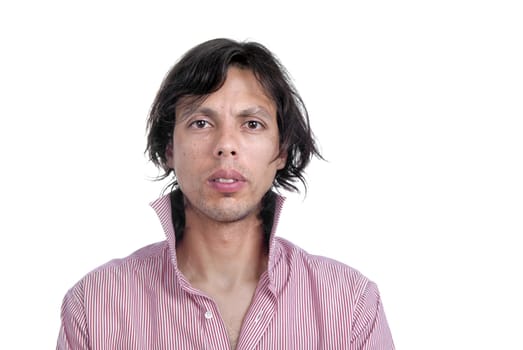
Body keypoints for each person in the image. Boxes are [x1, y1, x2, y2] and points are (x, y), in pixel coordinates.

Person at [57, 38, 395, 349]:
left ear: (281, 151)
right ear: (169, 148)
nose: (226, 146)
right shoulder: (95, 305)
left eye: (251, 124)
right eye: (201, 122)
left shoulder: (350, 304)